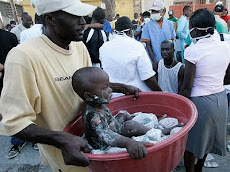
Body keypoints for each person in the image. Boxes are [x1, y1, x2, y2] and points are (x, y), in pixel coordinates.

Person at [0, 0, 141, 171]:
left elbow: (87, 86)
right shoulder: (23, 57)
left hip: (98, 150)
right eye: (75, 16)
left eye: (82, 15)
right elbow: (13, 122)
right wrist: (61, 139)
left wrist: (121, 87)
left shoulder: (79, 47)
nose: (83, 21)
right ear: (50, 18)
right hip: (70, 161)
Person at [179, 8, 230, 172]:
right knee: (207, 142)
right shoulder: (225, 46)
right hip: (221, 100)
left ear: (194, 30)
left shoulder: (193, 50)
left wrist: (179, 108)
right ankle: (199, 169)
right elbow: (228, 77)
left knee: (191, 145)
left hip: (200, 103)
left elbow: (187, 87)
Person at [72, 67, 151, 159]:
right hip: (105, 145)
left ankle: (150, 128)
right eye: (105, 87)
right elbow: (108, 136)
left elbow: (110, 122)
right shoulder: (93, 115)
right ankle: (156, 133)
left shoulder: (97, 104)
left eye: (109, 86)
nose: (110, 90)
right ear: (90, 95)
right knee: (131, 126)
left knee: (124, 116)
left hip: (113, 129)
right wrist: (129, 142)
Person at [100, 16, 162, 98]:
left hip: (113, 96)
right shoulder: (137, 46)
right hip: (134, 95)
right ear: (130, 31)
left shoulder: (104, 47)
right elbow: (147, 77)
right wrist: (160, 93)